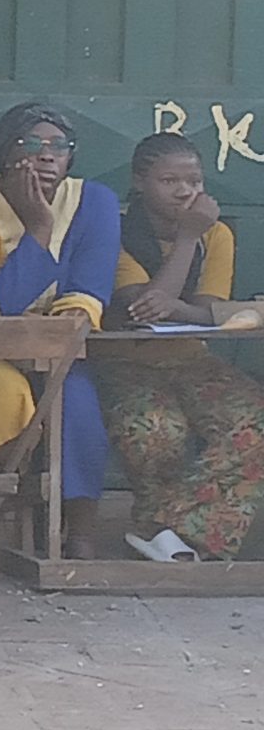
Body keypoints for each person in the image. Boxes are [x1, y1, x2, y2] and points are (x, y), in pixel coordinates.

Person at [0, 102, 116, 559]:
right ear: (5, 155)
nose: (47, 156)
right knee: (0, 398)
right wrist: (39, 228)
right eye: (31, 144)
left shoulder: (95, 201)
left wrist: (67, 322)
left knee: (77, 402)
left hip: (59, 350)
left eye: (59, 147)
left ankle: (80, 531)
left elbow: (90, 290)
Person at [99, 131, 264, 563]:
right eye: (170, 181)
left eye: (194, 181)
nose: (186, 191)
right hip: (124, 362)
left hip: (191, 359)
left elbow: (206, 311)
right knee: (155, 430)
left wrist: (181, 307)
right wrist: (189, 238)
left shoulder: (219, 235)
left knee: (253, 419)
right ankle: (174, 533)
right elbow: (144, 309)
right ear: (139, 182)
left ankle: (158, 527)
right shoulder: (114, 232)